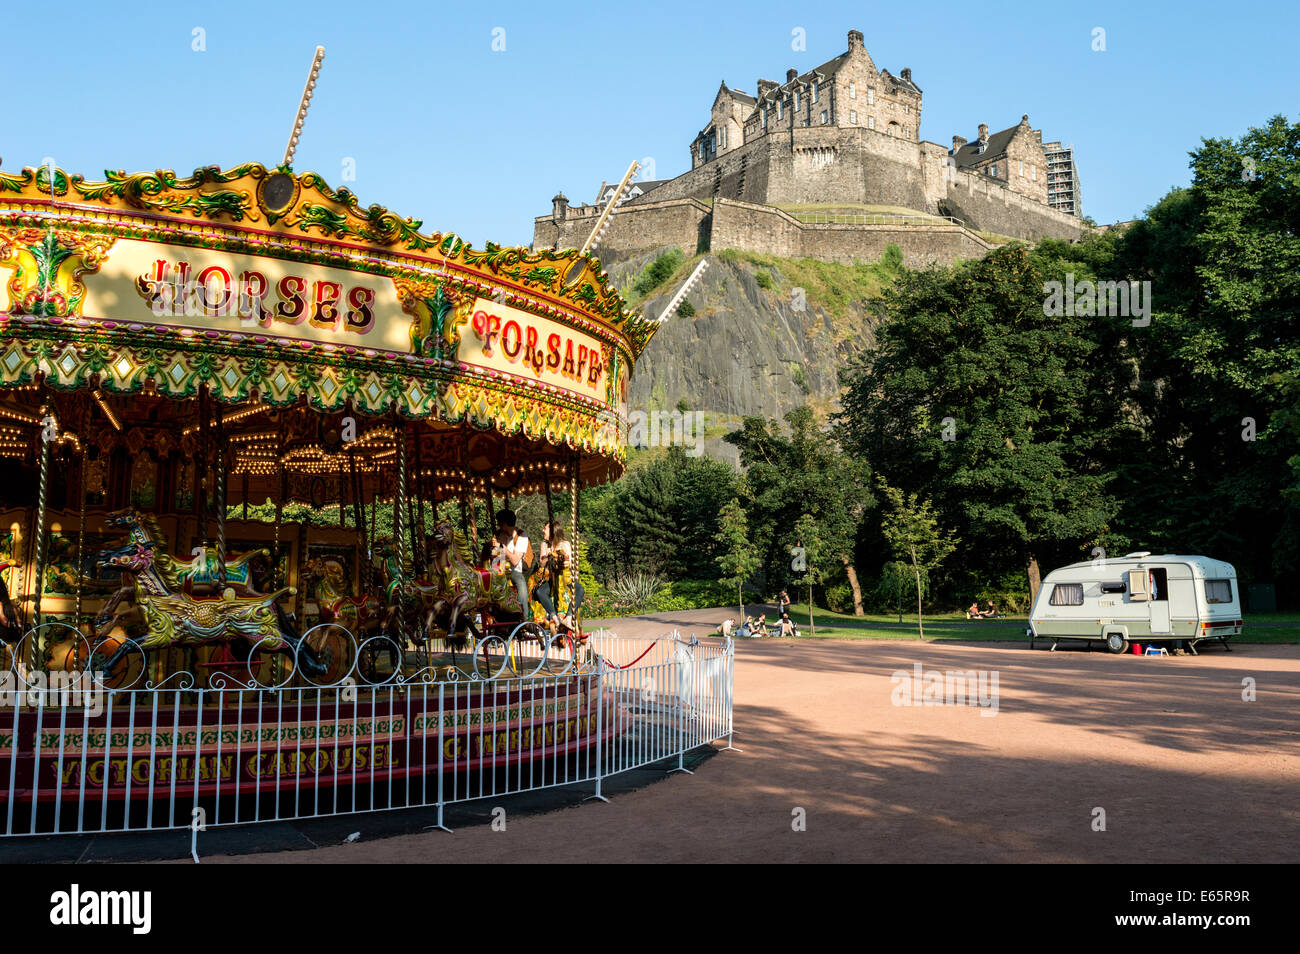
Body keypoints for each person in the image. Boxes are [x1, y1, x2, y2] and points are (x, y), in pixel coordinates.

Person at [494, 509, 532, 614]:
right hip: (499, 569)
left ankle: (523, 615)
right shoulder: (499, 535)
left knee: (521, 585)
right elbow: (496, 558)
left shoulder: (521, 536)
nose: (499, 527)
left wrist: (502, 547)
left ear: (505, 524)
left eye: (500, 524)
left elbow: (515, 561)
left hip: (514, 570)